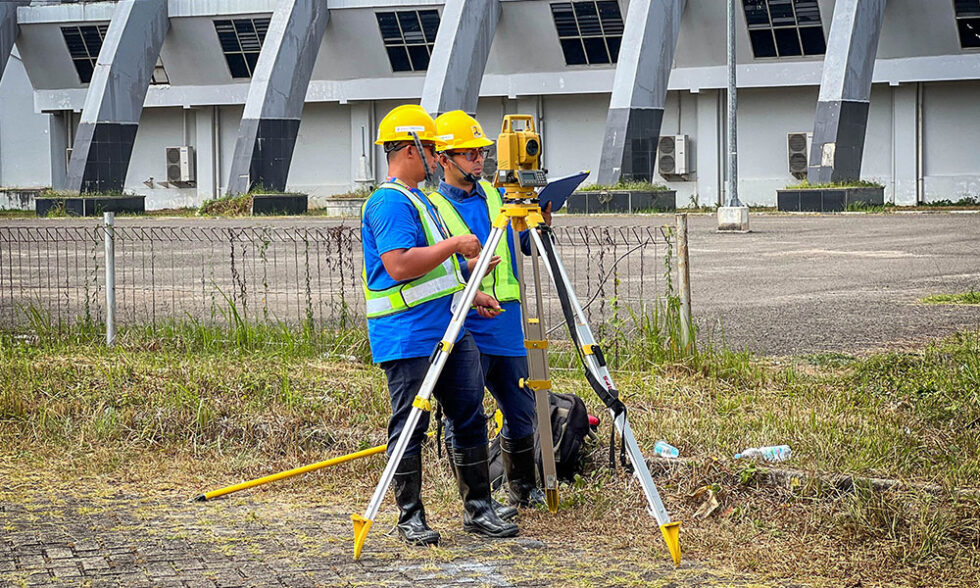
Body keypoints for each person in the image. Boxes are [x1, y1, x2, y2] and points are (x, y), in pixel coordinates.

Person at [360, 104, 518, 546]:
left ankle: (479, 510)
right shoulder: (390, 202)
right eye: (431, 148)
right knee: (411, 424)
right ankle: (410, 517)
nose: (437, 156)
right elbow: (399, 266)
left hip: (447, 325)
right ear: (411, 149)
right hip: (408, 334)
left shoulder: (418, 200)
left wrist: (469, 285)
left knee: (469, 414)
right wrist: (455, 245)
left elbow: (434, 272)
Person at [427, 110, 553, 511]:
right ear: (443, 159)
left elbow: (527, 248)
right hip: (466, 320)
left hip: (508, 320)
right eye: (467, 153)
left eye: (481, 152)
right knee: (464, 413)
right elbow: (435, 268)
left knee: (522, 409)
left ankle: (523, 489)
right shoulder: (431, 207)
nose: (478, 160)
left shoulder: (500, 195)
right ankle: (475, 497)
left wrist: (541, 222)